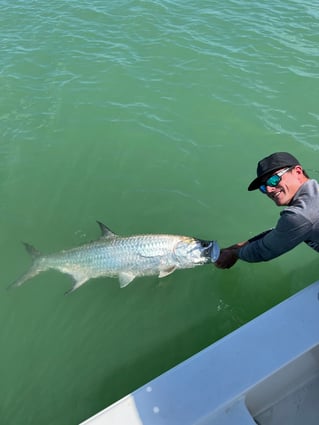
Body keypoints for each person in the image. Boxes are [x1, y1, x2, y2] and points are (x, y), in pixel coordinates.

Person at [215, 152, 319, 269]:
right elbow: (281, 231)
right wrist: (237, 247)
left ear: (297, 172)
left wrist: (234, 254)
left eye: (274, 180)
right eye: (263, 187)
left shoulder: (300, 215)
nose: (269, 190)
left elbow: (264, 250)